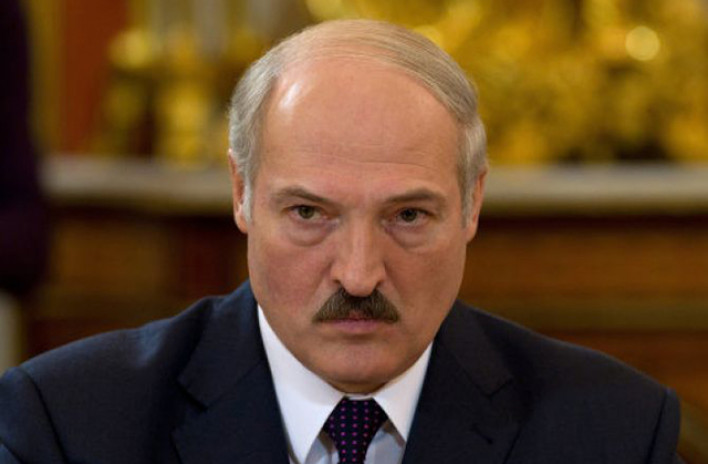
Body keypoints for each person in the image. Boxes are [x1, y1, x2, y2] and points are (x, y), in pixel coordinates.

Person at [0, 19, 682, 464]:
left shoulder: (615, 432)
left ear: (472, 203)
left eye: (407, 216)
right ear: (241, 194)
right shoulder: (68, 425)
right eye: (309, 213)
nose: (358, 276)